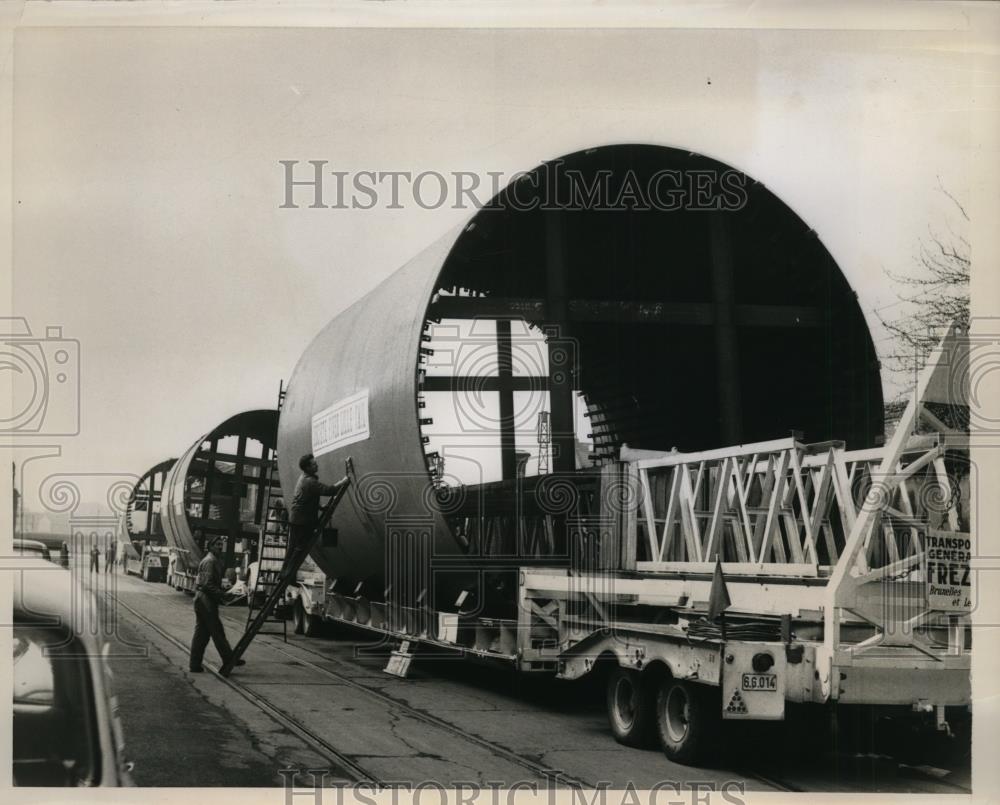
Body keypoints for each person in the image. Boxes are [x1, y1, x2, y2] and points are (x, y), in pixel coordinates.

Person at [285, 454, 348, 579]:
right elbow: (329, 490)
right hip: (302, 520)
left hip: (296, 518)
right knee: (299, 548)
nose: (317, 465)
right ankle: (288, 575)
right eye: (314, 464)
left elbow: (306, 498)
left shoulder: (304, 478)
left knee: (292, 548)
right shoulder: (309, 481)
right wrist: (343, 481)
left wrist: (320, 507)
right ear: (308, 467)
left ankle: (285, 574)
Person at [189, 536, 245, 673]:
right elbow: (207, 584)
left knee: (201, 635)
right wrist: (223, 595)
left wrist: (223, 591)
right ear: (211, 546)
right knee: (217, 631)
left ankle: (195, 665)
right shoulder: (210, 561)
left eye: (222, 544)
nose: (220, 547)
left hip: (203, 599)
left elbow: (209, 584)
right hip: (205, 600)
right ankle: (229, 659)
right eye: (218, 545)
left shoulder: (212, 560)